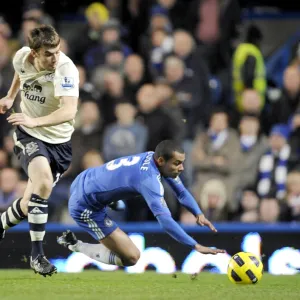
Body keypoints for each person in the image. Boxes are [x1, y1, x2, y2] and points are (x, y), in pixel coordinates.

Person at [57, 140, 225, 267]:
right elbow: (166, 222)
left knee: (121, 204)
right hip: (85, 206)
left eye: (182, 163)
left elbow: (181, 192)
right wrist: (194, 245)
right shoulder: (149, 180)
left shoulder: (151, 156)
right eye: (177, 163)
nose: (181, 168)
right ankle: (76, 245)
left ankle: (111, 202)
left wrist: (198, 213)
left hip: (84, 179)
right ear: (161, 161)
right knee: (132, 257)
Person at [0, 25, 79, 276]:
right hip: (29, 134)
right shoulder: (21, 57)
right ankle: (37, 256)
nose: (55, 58)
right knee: (43, 182)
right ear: (34, 52)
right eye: (48, 54)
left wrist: (34, 120)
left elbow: (69, 111)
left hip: (59, 143)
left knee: (27, 204)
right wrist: (10, 97)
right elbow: (20, 72)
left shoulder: (66, 70)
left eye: (57, 51)